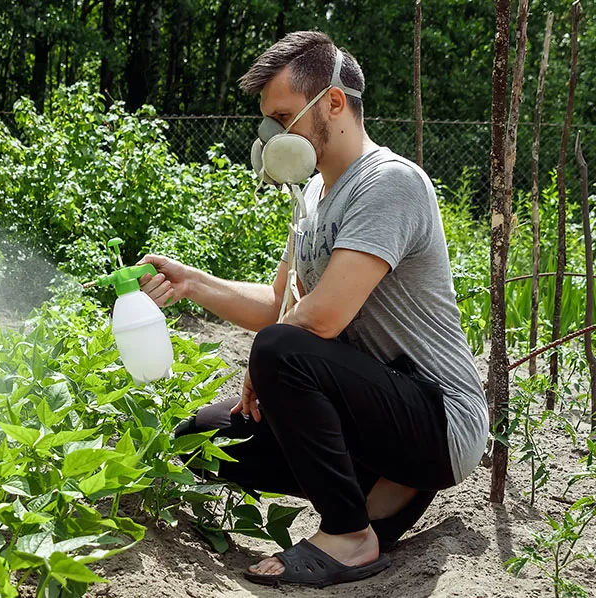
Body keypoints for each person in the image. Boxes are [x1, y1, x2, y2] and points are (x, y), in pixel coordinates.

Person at [136, 31, 487, 588]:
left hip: (438, 419)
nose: (272, 136)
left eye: (282, 117)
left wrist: (265, 359)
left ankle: (349, 535)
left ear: (333, 102)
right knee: (204, 439)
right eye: (268, 123)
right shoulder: (315, 196)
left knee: (280, 349)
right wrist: (195, 283)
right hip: (375, 406)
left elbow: (319, 319)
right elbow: (281, 304)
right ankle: (384, 486)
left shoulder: (389, 183)